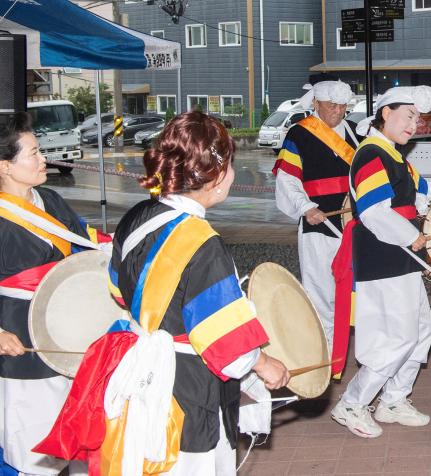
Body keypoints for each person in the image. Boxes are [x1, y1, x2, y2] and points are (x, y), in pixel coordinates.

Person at [37, 111, 290, 474]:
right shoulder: (203, 244)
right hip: (187, 381)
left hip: (138, 367)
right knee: (189, 461)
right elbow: (224, 342)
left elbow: (117, 290)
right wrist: (266, 365)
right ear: (216, 176)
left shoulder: (137, 216)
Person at [329, 86, 431, 440]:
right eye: (408, 116)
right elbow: (375, 212)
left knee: (421, 332)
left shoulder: (392, 155)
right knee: (394, 338)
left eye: (417, 119)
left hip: (402, 255)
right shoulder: (371, 154)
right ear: (386, 113)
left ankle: (392, 400)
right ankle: (351, 403)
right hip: (383, 254)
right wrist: (411, 236)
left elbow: (422, 195)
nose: (414, 125)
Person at [0, 113, 104, 475]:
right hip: (21, 341)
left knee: (79, 438)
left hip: (69, 334)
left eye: (40, 151)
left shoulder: (51, 199)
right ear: (5, 167)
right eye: (33, 153)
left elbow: (84, 242)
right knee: (33, 448)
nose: (43, 159)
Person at [273, 76, 358, 343]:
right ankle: (325, 346)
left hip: (353, 224)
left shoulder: (357, 132)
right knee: (321, 289)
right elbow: (287, 177)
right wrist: (305, 206)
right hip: (317, 223)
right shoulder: (300, 132)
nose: (338, 111)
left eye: (342, 106)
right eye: (332, 105)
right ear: (316, 103)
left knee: (354, 288)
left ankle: (350, 342)